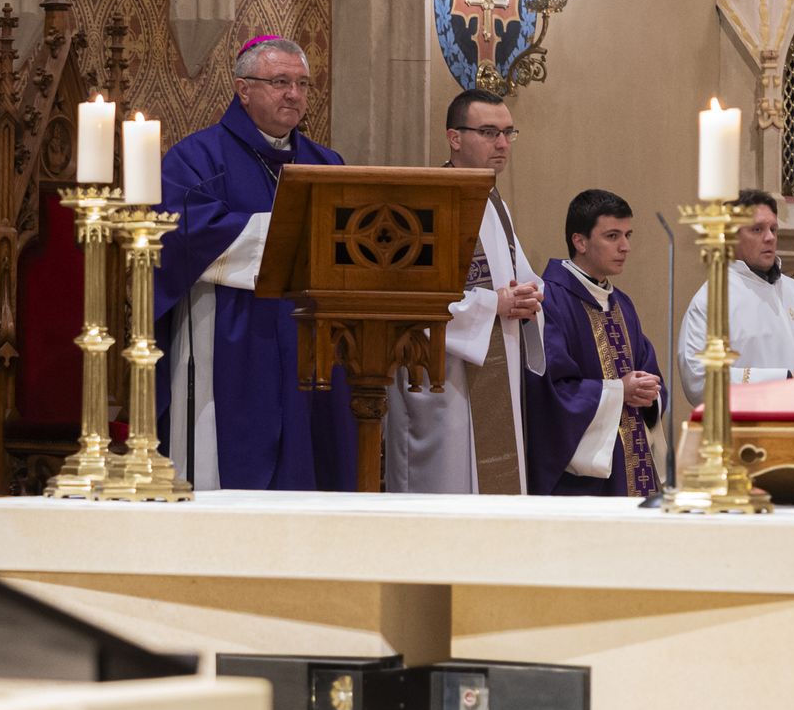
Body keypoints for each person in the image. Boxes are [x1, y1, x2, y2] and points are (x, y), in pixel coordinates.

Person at [154, 35, 354, 491]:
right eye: (280, 82)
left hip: (311, 339)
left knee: (313, 457)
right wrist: (296, 236)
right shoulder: (196, 158)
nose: (294, 94)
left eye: (302, 84)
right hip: (231, 335)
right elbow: (183, 233)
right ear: (243, 89)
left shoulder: (327, 163)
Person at [387, 88, 544, 494]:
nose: (503, 144)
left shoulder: (494, 202)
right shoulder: (427, 200)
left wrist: (530, 296)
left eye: (509, 133)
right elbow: (408, 296)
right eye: (489, 132)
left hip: (495, 366)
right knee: (446, 488)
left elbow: (519, 274)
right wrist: (496, 304)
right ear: (454, 138)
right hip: (443, 376)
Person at [531, 190, 664, 497]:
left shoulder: (622, 304)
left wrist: (650, 393)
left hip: (631, 463)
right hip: (581, 481)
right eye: (612, 236)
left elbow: (648, 371)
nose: (625, 246)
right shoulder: (550, 301)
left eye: (628, 235)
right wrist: (620, 391)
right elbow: (550, 393)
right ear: (580, 242)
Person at [675, 188, 794, 406]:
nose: (770, 237)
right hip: (750, 423)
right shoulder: (712, 300)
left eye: (773, 229)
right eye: (757, 229)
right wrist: (785, 379)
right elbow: (699, 379)